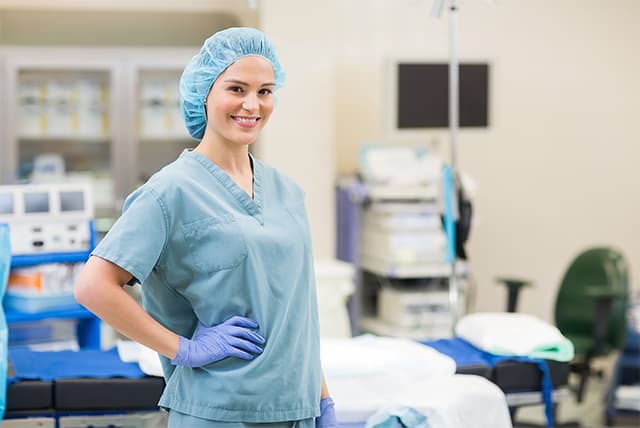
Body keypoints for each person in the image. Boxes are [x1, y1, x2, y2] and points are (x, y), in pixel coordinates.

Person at [74, 27, 338, 428]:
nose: (252, 104)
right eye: (237, 88)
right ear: (205, 94)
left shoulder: (288, 192)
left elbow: (299, 311)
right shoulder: (170, 191)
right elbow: (93, 286)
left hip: (297, 409)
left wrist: (322, 399)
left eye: (265, 91)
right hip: (219, 411)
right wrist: (185, 349)